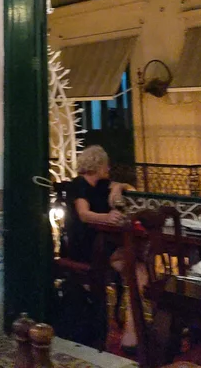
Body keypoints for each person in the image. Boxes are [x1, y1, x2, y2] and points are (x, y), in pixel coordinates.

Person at [67, 145, 146, 354]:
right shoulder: (78, 185)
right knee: (137, 268)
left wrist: (118, 187)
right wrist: (107, 217)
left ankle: (131, 332)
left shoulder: (102, 184)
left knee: (138, 269)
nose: (108, 168)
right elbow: (84, 214)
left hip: (104, 242)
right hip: (85, 244)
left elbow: (130, 188)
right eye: (106, 164)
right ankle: (131, 333)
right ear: (98, 164)